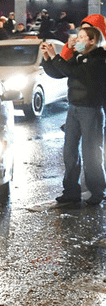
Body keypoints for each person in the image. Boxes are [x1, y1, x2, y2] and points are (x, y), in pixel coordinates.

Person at [41, 26, 106, 207]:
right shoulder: (79, 56)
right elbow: (59, 72)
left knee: (91, 152)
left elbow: (74, 72)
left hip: (91, 109)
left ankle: (97, 192)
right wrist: (47, 59)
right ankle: (70, 191)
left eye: (83, 37)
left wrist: (56, 56)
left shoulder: (99, 58)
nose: (78, 40)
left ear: (92, 41)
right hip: (73, 108)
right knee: (69, 151)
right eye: (78, 37)